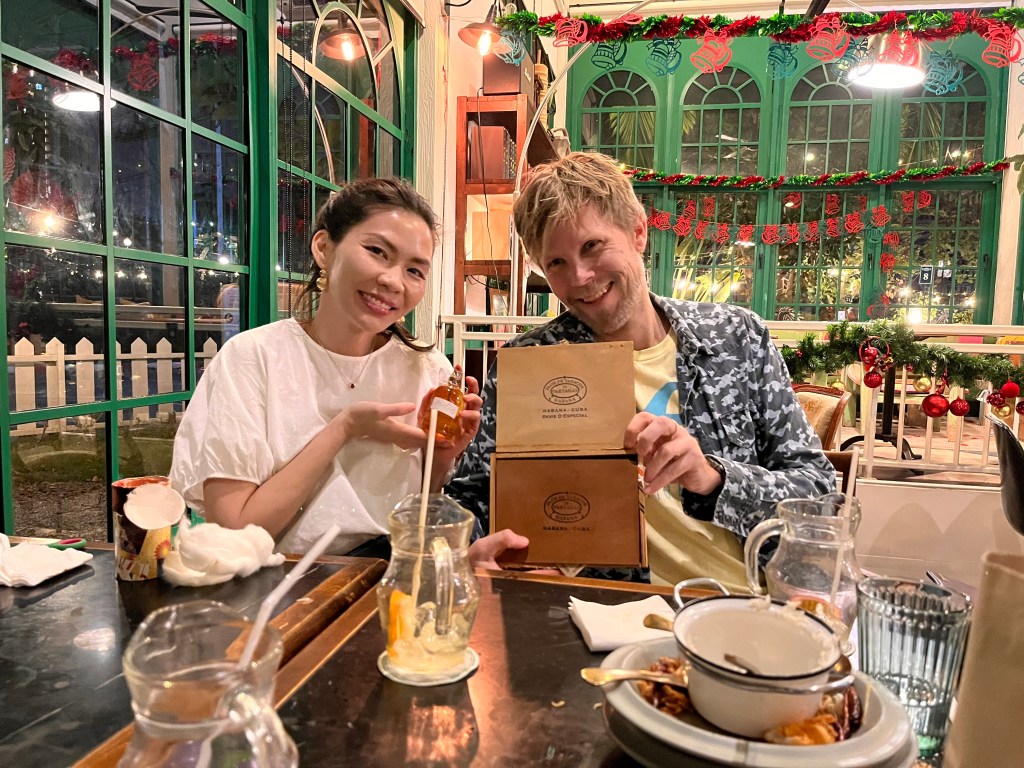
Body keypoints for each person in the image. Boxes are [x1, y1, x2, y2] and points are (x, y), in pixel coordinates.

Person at [446, 152, 836, 590]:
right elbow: (476, 500)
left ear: (638, 232)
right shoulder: (529, 364)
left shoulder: (736, 337)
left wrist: (712, 478)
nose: (580, 277)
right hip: (604, 607)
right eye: (556, 263)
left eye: (592, 247)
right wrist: (472, 547)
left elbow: (820, 496)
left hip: (746, 602)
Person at [170, 178, 525, 561]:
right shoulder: (254, 358)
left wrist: (441, 457)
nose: (393, 281)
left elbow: (421, 513)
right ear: (324, 248)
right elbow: (233, 530)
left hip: (392, 578)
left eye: (415, 271)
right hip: (278, 582)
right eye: (377, 251)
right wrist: (345, 428)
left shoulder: (426, 368)